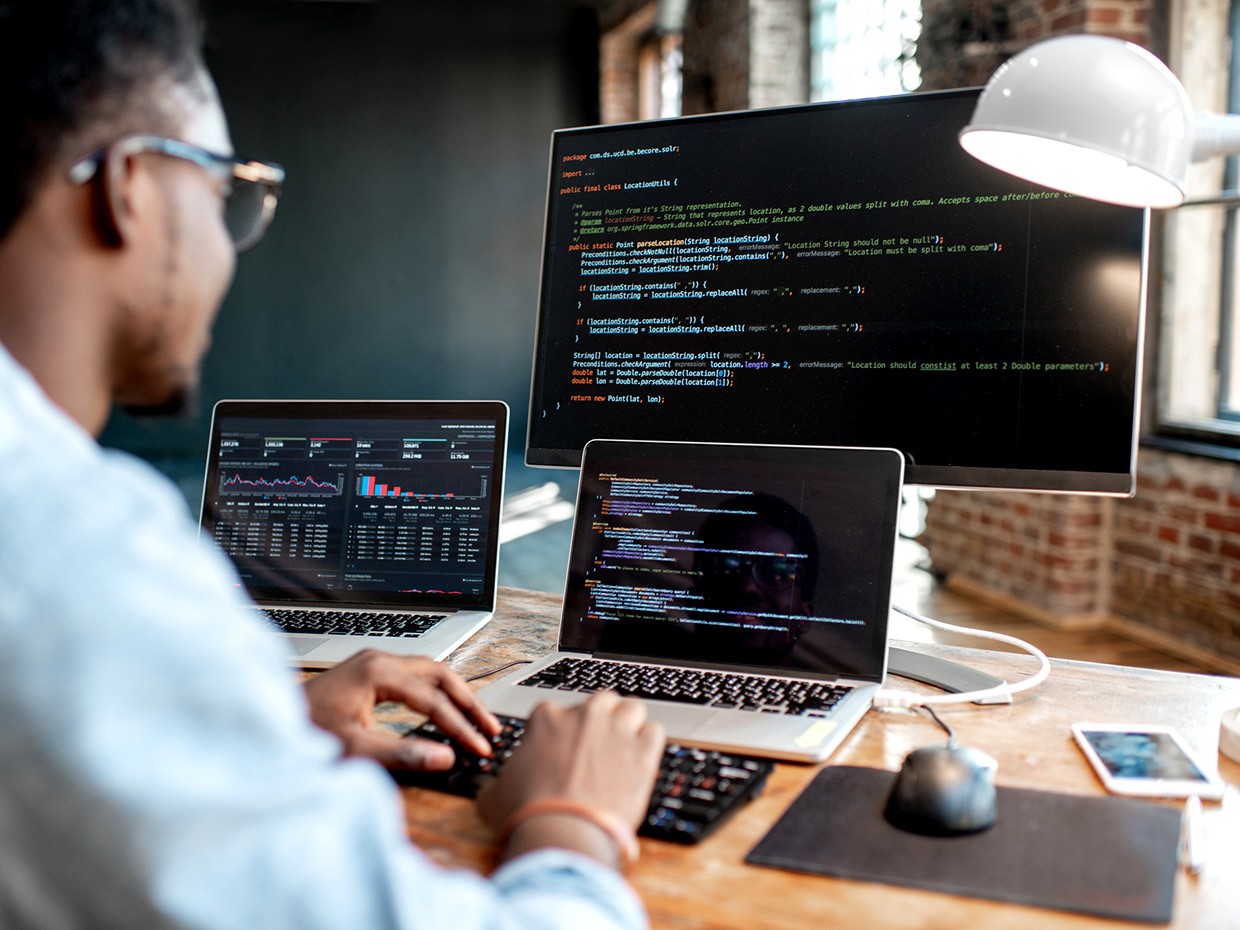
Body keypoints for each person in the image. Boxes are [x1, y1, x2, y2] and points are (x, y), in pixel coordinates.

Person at [0, 2, 664, 928]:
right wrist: (574, 821)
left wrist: (252, 737)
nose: (232, 248)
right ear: (131, 188)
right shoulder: (78, 558)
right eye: (227, 188)